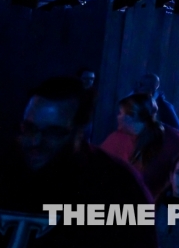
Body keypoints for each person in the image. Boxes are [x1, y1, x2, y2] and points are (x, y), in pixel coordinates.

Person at [0, 77, 158, 247]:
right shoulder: (6, 167)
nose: (35, 142)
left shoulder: (117, 185)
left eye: (53, 132)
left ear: (80, 132)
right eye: (29, 129)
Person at [101, 93, 179, 197]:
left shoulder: (172, 141)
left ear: (131, 117)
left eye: (120, 113)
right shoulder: (118, 138)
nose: (117, 117)